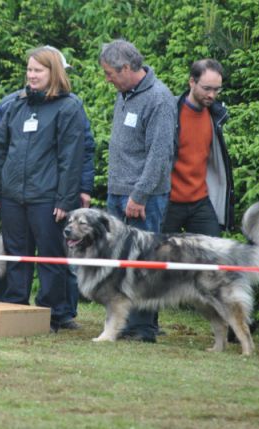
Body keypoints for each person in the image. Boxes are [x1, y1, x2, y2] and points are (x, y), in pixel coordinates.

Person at [0, 46, 96, 330]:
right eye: (29, 70)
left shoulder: (69, 107)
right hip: (11, 196)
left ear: (53, 72)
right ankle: (15, 309)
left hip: (47, 198)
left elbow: (71, 157)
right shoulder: (15, 105)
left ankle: (54, 314)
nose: (31, 76)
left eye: (38, 71)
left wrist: (65, 199)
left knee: (51, 258)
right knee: (16, 256)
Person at [99, 39, 176, 343]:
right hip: (118, 193)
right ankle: (122, 323)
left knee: (143, 262)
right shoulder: (125, 94)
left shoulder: (159, 99)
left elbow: (159, 156)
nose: (107, 79)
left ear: (128, 68)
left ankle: (143, 328)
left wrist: (139, 195)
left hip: (143, 198)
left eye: (109, 73)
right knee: (119, 260)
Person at [162, 58, 234, 236]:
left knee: (214, 257)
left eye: (216, 90)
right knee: (159, 259)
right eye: (207, 88)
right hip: (168, 202)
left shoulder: (215, 116)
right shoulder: (169, 111)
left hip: (200, 201)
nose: (212, 95)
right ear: (192, 82)